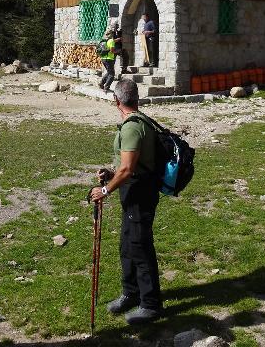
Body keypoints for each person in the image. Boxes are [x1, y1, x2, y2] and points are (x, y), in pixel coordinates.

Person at [89, 78, 163, 325]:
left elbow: (128, 169)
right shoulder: (139, 121)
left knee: (140, 246)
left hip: (140, 193)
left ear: (116, 100)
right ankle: (131, 293)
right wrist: (112, 174)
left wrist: (105, 190)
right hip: (134, 191)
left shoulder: (132, 127)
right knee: (127, 245)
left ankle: (150, 304)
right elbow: (128, 167)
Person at [98, 25, 118, 92]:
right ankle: (106, 87)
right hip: (109, 59)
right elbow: (112, 51)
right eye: (112, 33)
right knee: (112, 74)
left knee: (109, 72)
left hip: (103, 58)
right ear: (111, 34)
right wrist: (117, 51)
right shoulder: (111, 41)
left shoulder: (104, 41)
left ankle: (101, 84)